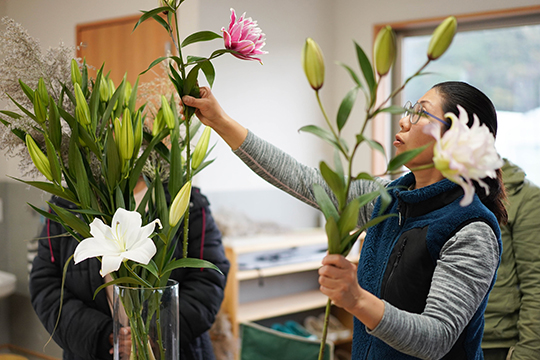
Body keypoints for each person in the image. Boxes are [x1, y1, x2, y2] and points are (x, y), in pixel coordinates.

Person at [180, 81, 507, 359]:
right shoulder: (385, 200)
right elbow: (301, 179)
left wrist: (356, 299)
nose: (403, 121)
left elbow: (435, 339)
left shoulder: (471, 230)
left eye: (420, 112)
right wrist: (220, 121)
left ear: (456, 138)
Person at [29, 184, 230, 360]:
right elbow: (45, 285)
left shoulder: (187, 200)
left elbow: (209, 279)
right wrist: (106, 335)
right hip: (92, 350)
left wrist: (151, 335)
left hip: (174, 349)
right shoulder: (67, 205)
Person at [482, 159, 540, 360]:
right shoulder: (434, 190)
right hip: (436, 341)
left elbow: (535, 283)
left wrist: (527, 354)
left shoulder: (526, 197)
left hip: (496, 343)